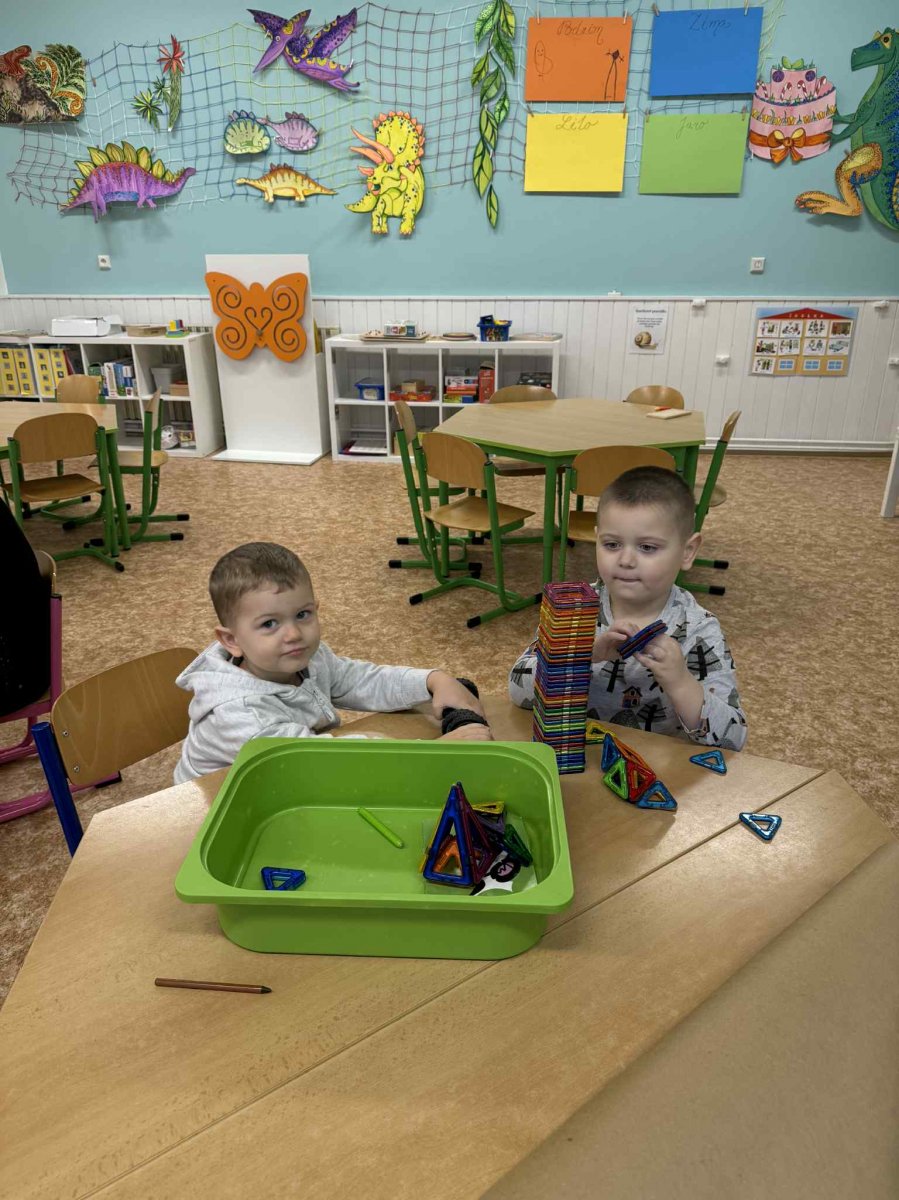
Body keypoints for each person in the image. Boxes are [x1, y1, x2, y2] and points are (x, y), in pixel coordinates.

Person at [174, 542, 492, 782]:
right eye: (269, 624)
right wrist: (432, 753)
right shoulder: (243, 715)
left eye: (302, 614)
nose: (294, 634)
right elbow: (322, 760)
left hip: (285, 769)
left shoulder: (303, 657)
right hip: (217, 803)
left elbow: (359, 680)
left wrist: (432, 680)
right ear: (231, 640)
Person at [509, 466, 747, 750]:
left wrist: (681, 682)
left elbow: (734, 737)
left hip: (661, 767)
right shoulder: (573, 610)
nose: (625, 560)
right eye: (612, 544)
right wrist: (584, 655)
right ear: (596, 539)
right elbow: (518, 691)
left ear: (687, 552)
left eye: (647, 547)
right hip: (581, 757)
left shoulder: (699, 629)